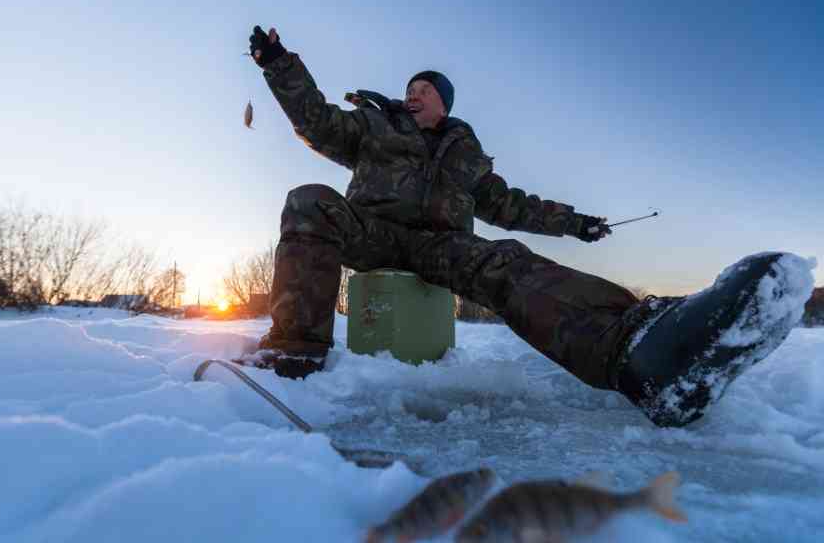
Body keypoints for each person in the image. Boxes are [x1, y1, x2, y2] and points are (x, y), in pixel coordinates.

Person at [234, 25, 803, 428]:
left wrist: (578, 224)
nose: (413, 93)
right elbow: (316, 120)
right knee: (309, 201)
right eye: (410, 88)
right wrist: (280, 65)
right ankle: (296, 351)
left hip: (442, 245)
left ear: (444, 105)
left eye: (425, 89)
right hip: (373, 230)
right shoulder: (374, 125)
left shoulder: (466, 153)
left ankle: (635, 351)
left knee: (502, 257)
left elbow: (513, 205)